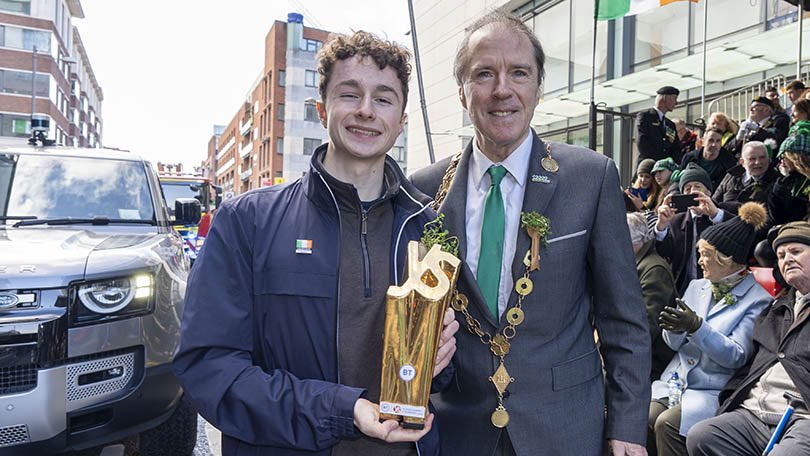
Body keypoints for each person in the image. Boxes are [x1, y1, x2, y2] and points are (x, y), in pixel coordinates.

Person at [172, 31, 457, 456]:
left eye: (383, 98)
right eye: (349, 94)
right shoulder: (247, 222)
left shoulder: (428, 229)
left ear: (401, 121)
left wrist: (443, 360)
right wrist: (342, 410)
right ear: (322, 108)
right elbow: (209, 369)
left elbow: (444, 376)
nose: (366, 111)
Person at [410, 10, 651, 455]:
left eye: (519, 73)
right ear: (462, 92)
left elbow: (624, 322)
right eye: (484, 74)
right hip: (459, 430)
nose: (503, 89)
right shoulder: (423, 192)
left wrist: (629, 427)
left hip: (565, 428)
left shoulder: (590, 178)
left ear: (539, 88)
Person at [647, 202, 771, 456]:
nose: (700, 261)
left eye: (706, 254)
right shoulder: (697, 286)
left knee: (666, 424)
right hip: (675, 383)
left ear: (727, 259)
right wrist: (674, 328)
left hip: (712, 389)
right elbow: (674, 345)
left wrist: (696, 327)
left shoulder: (758, 299)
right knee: (642, 415)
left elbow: (736, 356)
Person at [686, 221, 810, 456]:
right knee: (702, 436)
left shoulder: (760, 300)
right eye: (781, 256)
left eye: (796, 251)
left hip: (802, 415)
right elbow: (752, 362)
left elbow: (736, 353)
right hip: (754, 408)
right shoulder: (777, 308)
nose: (787, 259)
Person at [655, 163, 738, 295]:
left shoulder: (723, 212)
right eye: (687, 189)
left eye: (698, 187)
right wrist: (662, 225)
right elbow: (664, 253)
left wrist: (715, 214)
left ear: (709, 192)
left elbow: (740, 235)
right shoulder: (677, 220)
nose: (693, 191)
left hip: (721, 288)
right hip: (684, 290)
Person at [627, 212, 676, 382]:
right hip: (629, 352)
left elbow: (648, 325)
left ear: (634, 242)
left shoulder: (654, 270)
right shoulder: (634, 264)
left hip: (647, 362)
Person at [713, 141, 780, 205]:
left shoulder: (778, 182)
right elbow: (714, 201)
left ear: (768, 160)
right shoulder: (732, 176)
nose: (758, 162)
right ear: (742, 162)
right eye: (752, 159)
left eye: (762, 158)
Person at [680, 127, 737, 192]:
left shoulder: (729, 161)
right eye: (711, 140)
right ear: (703, 141)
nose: (714, 144)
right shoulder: (689, 158)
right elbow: (679, 181)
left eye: (718, 141)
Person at [636, 86, 682, 164]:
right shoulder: (645, 116)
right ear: (665, 98)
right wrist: (656, 164)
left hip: (665, 170)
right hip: (648, 167)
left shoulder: (670, 125)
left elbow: (676, 148)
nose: (676, 103)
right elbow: (642, 143)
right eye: (674, 98)